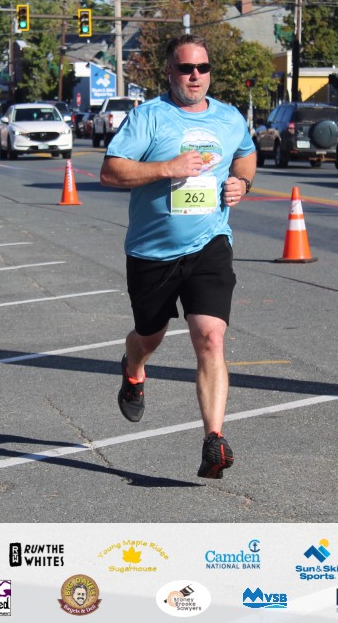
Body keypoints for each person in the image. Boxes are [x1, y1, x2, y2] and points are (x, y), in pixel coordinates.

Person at [99, 34, 256, 479]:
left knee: (210, 337)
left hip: (210, 243)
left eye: (202, 68)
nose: (195, 76)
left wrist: (242, 184)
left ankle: (213, 439)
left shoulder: (228, 118)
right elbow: (111, 171)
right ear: (169, 72)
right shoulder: (148, 117)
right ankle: (133, 368)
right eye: (186, 68)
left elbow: (246, 156)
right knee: (149, 338)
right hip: (152, 252)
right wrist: (167, 168)